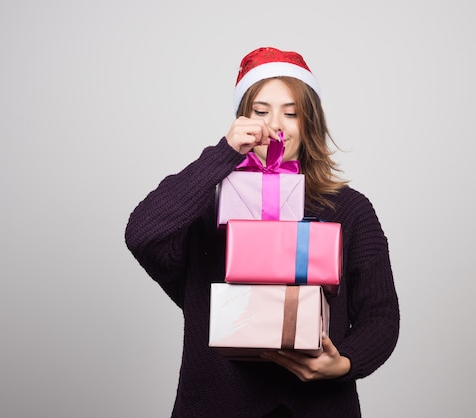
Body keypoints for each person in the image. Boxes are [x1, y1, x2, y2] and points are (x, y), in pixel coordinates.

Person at [124, 46, 400, 418]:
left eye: (292, 113)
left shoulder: (349, 209)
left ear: (310, 123)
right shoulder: (204, 209)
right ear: (241, 120)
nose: (276, 126)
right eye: (260, 111)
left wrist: (345, 363)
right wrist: (223, 156)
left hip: (320, 406)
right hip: (214, 404)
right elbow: (143, 233)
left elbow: (380, 314)